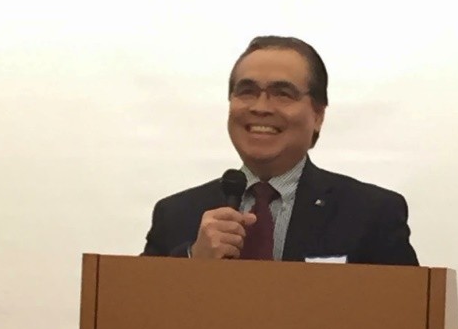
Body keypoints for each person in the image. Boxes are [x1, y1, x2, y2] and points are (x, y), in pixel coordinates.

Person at [142, 36, 418, 265]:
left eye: (283, 94)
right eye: (247, 91)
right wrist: (192, 261)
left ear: (318, 115)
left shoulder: (371, 214)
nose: (261, 107)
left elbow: (407, 309)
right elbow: (138, 307)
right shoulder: (175, 215)